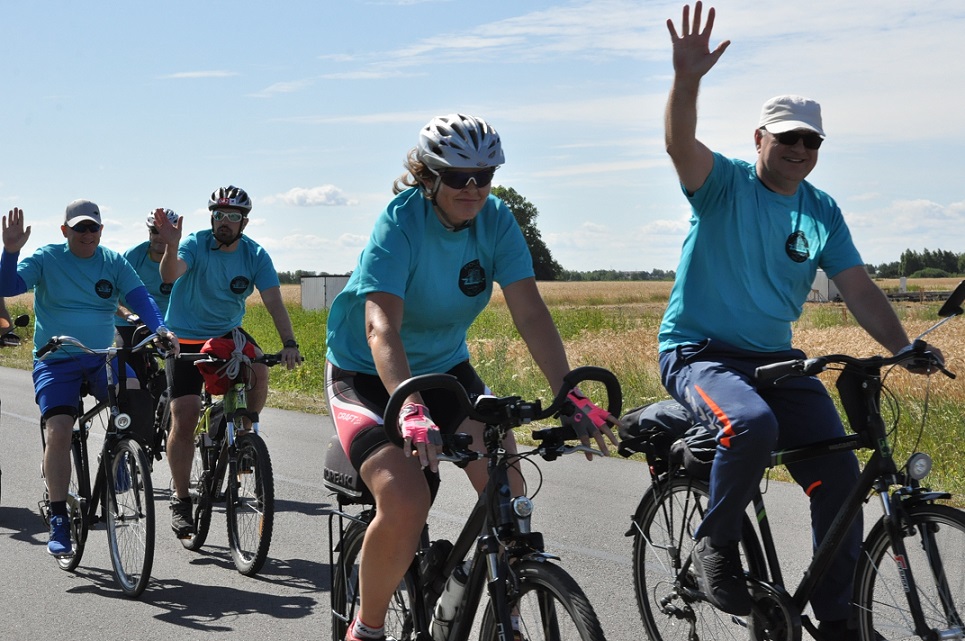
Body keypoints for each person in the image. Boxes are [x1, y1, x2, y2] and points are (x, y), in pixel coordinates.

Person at [658, 4, 943, 639]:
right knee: (749, 423)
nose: (799, 149)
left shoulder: (821, 211)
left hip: (774, 360)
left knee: (841, 475)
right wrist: (687, 79)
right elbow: (679, 143)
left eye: (811, 140)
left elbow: (859, 288)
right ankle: (715, 547)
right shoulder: (724, 185)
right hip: (698, 352)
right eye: (786, 137)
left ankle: (838, 617)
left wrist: (902, 346)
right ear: (758, 139)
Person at [324, 113, 619, 641]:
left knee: (508, 483)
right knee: (406, 497)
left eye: (485, 176)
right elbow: (380, 326)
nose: (474, 188)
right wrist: (409, 409)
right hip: (367, 373)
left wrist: (568, 393)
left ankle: (497, 607)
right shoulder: (401, 222)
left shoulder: (497, 221)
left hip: (444, 369)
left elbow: (530, 314)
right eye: (460, 177)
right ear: (429, 175)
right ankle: (365, 629)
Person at [0, 201, 178, 557]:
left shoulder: (112, 262)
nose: (86, 234)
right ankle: (60, 516)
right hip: (57, 359)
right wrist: (10, 251)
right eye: (79, 228)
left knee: (136, 396)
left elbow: (141, 298)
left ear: (101, 230)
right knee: (61, 429)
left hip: (102, 358)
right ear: (65, 231)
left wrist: (160, 328)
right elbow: (8, 287)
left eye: (92, 228)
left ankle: (119, 460)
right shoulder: (48, 258)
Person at [154, 185, 302, 538]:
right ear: (212, 217)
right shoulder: (194, 243)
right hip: (186, 337)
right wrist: (172, 244)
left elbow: (273, 301)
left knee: (260, 368)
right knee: (186, 414)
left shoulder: (254, 255)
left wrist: (290, 343)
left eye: (233, 216)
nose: (225, 222)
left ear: (244, 222)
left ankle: (246, 435)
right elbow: (169, 275)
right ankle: (181, 498)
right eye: (219, 215)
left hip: (225, 335)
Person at [114, 208, 181, 384]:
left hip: (167, 321)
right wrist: (129, 315)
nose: (159, 237)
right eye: (154, 231)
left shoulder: (181, 258)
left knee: (180, 363)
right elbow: (113, 296)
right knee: (128, 360)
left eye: (164, 232)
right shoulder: (133, 256)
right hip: (131, 320)